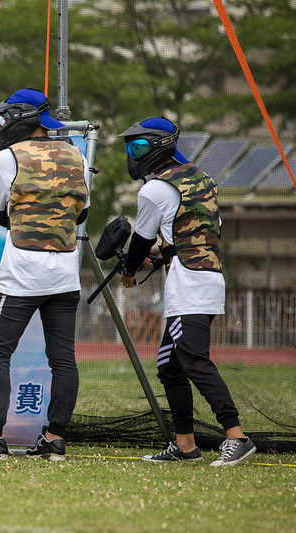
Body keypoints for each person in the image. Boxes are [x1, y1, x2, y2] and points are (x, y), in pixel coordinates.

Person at [0, 88, 89, 460]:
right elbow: (82, 213)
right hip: (65, 273)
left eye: (7, 117)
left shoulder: (8, 157)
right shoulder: (76, 154)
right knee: (63, 359)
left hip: (22, 273)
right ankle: (55, 438)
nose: (3, 124)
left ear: (24, 118)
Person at [117, 117, 256, 467]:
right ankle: (184, 445)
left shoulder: (153, 189)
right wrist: (157, 257)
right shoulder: (204, 180)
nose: (132, 154)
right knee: (170, 366)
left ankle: (236, 436)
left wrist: (129, 268)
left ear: (159, 145)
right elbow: (193, 235)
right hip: (207, 276)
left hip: (189, 284)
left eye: (137, 147)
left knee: (193, 359)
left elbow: (142, 240)